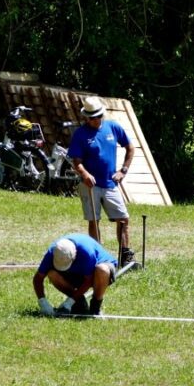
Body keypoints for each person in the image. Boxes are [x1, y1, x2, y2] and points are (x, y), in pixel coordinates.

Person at [67, 95, 136, 267]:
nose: (95, 120)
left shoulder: (113, 127)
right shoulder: (80, 134)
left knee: (123, 219)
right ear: (86, 117)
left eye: (97, 116)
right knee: (94, 221)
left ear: (102, 115)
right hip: (90, 185)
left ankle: (125, 256)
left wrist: (123, 171)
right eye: (91, 117)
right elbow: (76, 161)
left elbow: (130, 148)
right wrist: (84, 174)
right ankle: (97, 256)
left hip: (110, 184)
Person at [33, 234, 118, 316]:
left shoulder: (86, 252)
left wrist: (70, 301)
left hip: (97, 273)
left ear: (74, 256)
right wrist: (42, 301)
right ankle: (80, 303)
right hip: (77, 273)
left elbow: (89, 280)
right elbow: (38, 278)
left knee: (102, 270)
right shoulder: (53, 251)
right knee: (52, 274)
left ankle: (95, 307)